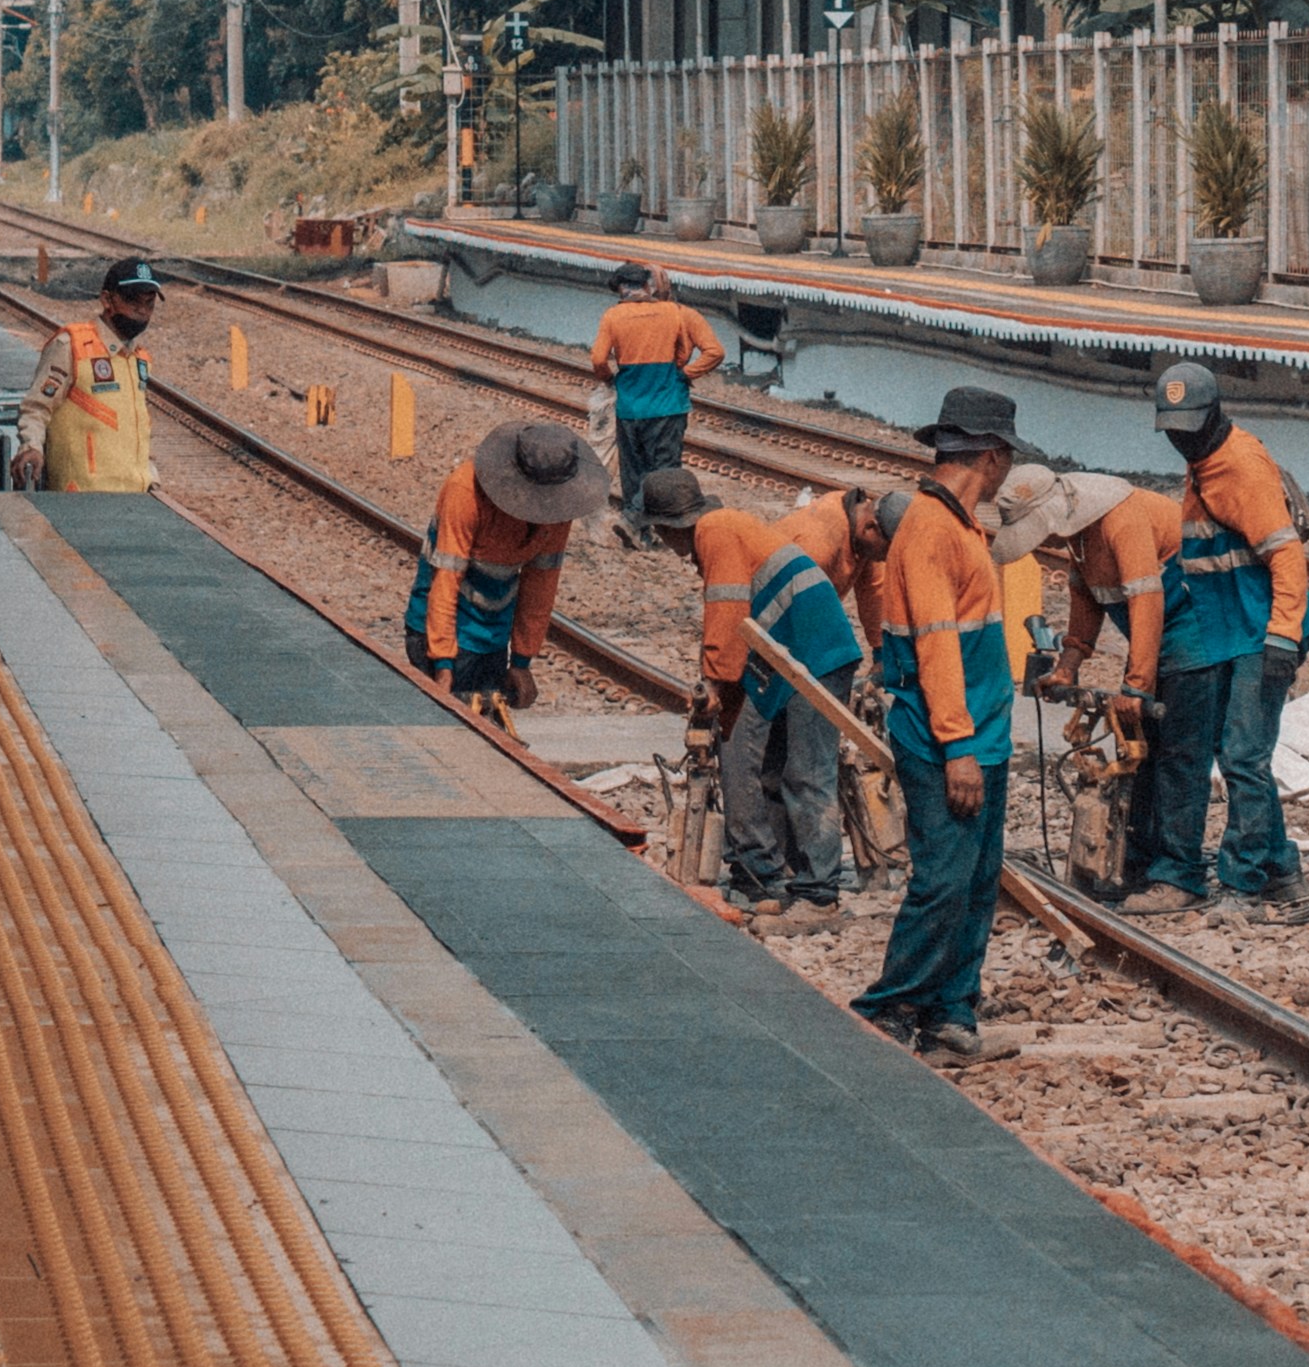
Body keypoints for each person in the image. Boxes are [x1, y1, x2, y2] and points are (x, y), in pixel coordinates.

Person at [853, 384, 1039, 1060]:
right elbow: (936, 645)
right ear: (990, 456)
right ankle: (888, 1010)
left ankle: (952, 1018)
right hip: (946, 740)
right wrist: (957, 745)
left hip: (980, 736)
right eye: (1007, 460)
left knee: (975, 881)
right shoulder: (933, 530)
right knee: (943, 882)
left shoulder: (958, 524)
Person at [1125, 360, 1309, 917]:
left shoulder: (1239, 467)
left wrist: (1282, 639)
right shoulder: (1204, 461)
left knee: (1242, 756)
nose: (1181, 438)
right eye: (1174, 428)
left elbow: (1286, 554)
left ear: (1213, 415)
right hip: (1235, 631)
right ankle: (1280, 869)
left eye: (1189, 425)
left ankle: (1243, 884)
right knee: (1242, 754)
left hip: (1263, 633)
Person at [645, 467, 881, 915]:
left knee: (808, 772)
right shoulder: (726, 526)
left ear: (669, 525)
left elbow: (726, 607)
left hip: (817, 653)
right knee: (772, 764)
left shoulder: (714, 532)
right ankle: (774, 874)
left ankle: (818, 892)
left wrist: (714, 682)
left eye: (661, 534)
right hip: (796, 651)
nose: (669, 548)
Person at [994, 463, 1189, 893]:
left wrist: (1136, 685)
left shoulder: (1122, 519)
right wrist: (1067, 665)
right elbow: (1086, 604)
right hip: (1159, 635)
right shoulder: (1080, 542)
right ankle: (1136, 865)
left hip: (1192, 629)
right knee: (1144, 754)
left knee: (1174, 753)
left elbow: (1146, 601)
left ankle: (1175, 872)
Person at [404, 419, 607, 707]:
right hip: (436, 630)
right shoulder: (465, 492)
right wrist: (443, 663)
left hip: (491, 635)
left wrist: (522, 660)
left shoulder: (558, 510)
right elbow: (446, 581)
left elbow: (541, 585)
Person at [589, 263, 724, 546]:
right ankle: (638, 522)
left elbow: (599, 360)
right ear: (647, 287)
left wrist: (609, 380)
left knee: (633, 469)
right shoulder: (675, 314)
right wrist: (686, 374)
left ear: (622, 288)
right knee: (664, 469)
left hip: (629, 406)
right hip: (668, 405)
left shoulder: (613, 316)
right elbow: (715, 351)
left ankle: (638, 530)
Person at [13, 257, 165, 492]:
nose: (141, 310)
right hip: (81, 501)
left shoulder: (139, 359)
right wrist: (31, 446)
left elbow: (138, 429)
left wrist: (151, 478)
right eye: (132, 300)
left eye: (149, 303)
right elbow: (37, 407)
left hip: (133, 500)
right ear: (107, 299)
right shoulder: (72, 345)